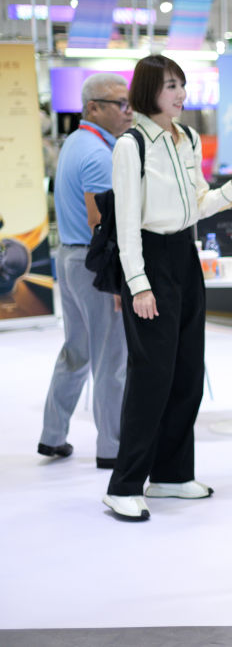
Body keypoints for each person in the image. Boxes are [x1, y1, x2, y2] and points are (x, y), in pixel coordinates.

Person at [102, 55, 232, 521]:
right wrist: (138, 284)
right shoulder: (130, 145)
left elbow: (198, 202)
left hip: (185, 256)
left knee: (188, 370)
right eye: (170, 85)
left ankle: (171, 474)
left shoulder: (186, 137)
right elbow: (126, 224)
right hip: (149, 259)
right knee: (151, 375)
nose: (181, 94)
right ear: (148, 90)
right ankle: (124, 484)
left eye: (182, 85)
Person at [39, 73, 132, 469]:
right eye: (120, 104)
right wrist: (117, 279)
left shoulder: (76, 143)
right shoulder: (98, 154)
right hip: (93, 266)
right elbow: (101, 222)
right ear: (93, 107)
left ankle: (52, 435)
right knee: (111, 358)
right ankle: (112, 446)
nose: (128, 112)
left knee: (76, 351)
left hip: (70, 258)